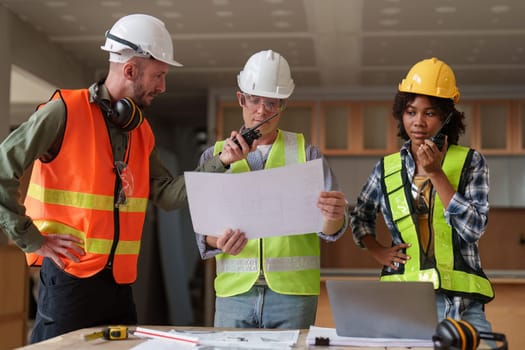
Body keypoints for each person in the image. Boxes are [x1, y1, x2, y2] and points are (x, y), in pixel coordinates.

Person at [0, 14, 251, 343]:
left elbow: (167, 195)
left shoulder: (141, 131)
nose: (163, 86)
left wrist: (221, 161)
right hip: (70, 281)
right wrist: (33, 240)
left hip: (119, 285)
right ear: (130, 70)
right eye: (158, 75)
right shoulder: (64, 112)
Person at [195, 50, 348, 329]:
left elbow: (330, 230)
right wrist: (218, 242)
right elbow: (201, 231)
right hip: (234, 294)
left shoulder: (307, 154)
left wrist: (334, 214)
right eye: (254, 100)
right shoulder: (214, 157)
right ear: (241, 99)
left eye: (271, 102)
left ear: (283, 105)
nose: (262, 110)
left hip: (293, 295)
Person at [350, 57, 494, 333]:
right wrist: (377, 250)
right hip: (402, 300)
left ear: (447, 117)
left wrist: (437, 174)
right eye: (410, 111)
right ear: (401, 114)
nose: (418, 122)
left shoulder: (471, 162)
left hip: (461, 304)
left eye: (429, 113)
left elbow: (474, 228)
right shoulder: (386, 168)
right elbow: (360, 215)